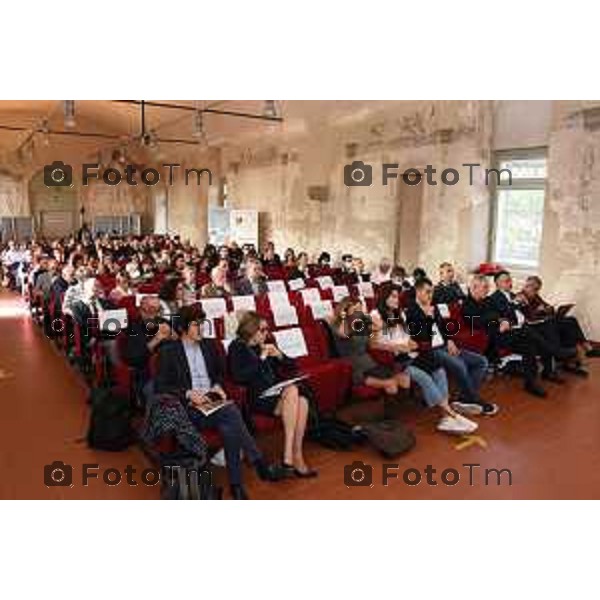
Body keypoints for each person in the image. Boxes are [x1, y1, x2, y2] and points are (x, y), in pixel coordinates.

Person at [155, 306, 282, 499]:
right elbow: (161, 386)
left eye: (203, 324)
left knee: (229, 426)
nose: (202, 329)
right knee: (230, 414)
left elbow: (221, 375)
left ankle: (237, 485)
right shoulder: (169, 352)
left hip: (212, 402)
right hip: (188, 407)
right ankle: (256, 466)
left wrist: (217, 386)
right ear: (183, 328)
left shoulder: (209, 346)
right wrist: (188, 393)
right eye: (196, 325)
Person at [370, 286, 477, 434]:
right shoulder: (375, 315)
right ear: (383, 297)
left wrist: (411, 343)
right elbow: (373, 344)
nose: (397, 300)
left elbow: (407, 336)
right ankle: (450, 413)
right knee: (424, 376)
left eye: (397, 296)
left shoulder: (400, 313)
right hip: (395, 360)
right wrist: (397, 347)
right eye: (393, 297)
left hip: (410, 354)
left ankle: (445, 418)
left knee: (439, 369)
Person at [228, 311, 317, 478]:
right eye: (262, 330)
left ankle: (294, 457)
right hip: (257, 397)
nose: (266, 333)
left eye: (267, 330)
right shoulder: (237, 347)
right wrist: (261, 358)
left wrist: (279, 355)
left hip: (276, 394)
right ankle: (289, 458)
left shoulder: (267, 344)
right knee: (293, 391)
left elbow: (292, 367)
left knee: (303, 400)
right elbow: (239, 377)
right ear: (250, 330)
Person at [405, 277, 498, 416]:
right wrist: (429, 318)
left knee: (481, 362)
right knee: (459, 365)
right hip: (429, 351)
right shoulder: (411, 311)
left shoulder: (434, 307)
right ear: (418, 292)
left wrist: (449, 340)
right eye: (427, 292)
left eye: (432, 292)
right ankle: (474, 400)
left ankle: (465, 399)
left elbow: (445, 327)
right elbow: (420, 337)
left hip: (443, 346)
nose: (430, 295)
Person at [463, 275, 549, 397]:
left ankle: (531, 382)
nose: (487, 290)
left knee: (528, 345)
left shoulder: (486, 300)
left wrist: (503, 321)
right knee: (526, 332)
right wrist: (497, 322)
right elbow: (476, 322)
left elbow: (497, 315)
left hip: (501, 332)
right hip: (491, 337)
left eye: (487, 287)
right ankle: (550, 350)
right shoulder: (467, 304)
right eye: (485, 287)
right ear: (474, 287)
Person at [490, 271, 576, 382]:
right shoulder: (494, 298)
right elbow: (504, 314)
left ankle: (550, 369)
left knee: (550, 325)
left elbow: (525, 312)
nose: (510, 283)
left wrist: (524, 305)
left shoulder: (513, 295)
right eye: (506, 281)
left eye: (510, 280)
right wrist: (515, 303)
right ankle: (556, 354)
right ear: (497, 283)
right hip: (513, 329)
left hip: (526, 324)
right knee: (545, 329)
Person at [329, 297, 411, 397]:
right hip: (355, 366)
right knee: (392, 386)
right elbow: (344, 333)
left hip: (370, 363)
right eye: (355, 310)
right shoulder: (338, 324)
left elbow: (380, 326)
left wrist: (366, 317)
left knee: (405, 380)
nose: (358, 313)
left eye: (360, 309)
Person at [520, 275, 600, 364]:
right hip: (536, 325)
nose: (535, 291)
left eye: (537, 289)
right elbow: (527, 317)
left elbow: (548, 307)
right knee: (559, 324)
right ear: (527, 285)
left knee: (571, 320)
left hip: (545, 320)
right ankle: (564, 355)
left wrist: (547, 308)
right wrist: (538, 311)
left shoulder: (536, 297)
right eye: (534, 288)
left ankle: (587, 348)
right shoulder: (521, 297)